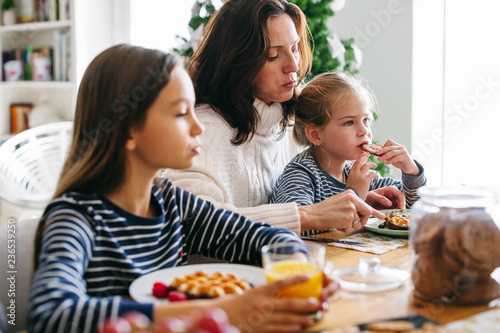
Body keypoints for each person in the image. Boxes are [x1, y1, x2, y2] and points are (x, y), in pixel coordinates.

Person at [26, 44, 337, 333]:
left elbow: (266, 238)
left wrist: (298, 271)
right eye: (179, 113)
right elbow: (49, 314)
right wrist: (217, 310)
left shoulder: (172, 202)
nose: (198, 126)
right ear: (128, 131)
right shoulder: (76, 217)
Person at [164, 0, 396, 236]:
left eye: (295, 48)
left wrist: (357, 201)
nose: (294, 65)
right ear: (237, 62)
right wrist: (308, 217)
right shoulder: (203, 131)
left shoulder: (294, 122)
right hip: (216, 273)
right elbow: (190, 220)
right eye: (273, 56)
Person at [271, 72, 427, 212]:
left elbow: (416, 206)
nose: (364, 131)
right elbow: (297, 225)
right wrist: (355, 196)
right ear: (316, 135)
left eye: (365, 120)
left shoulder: (356, 171)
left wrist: (411, 172)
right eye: (349, 123)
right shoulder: (301, 174)